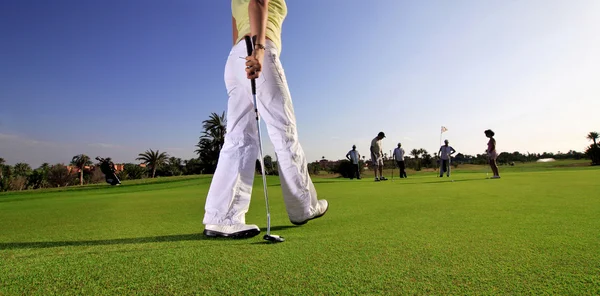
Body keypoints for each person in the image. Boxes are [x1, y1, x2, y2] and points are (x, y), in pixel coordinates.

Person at [202, 0, 329, 239]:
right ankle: (303, 207)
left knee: (238, 138)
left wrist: (245, 58)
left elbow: (235, 27)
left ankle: (221, 217)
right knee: (284, 132)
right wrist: (258, 50)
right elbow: (258, 2)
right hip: (258, 49)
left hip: (236, 57)